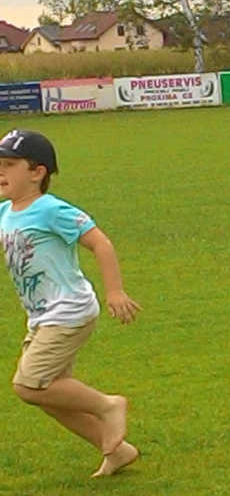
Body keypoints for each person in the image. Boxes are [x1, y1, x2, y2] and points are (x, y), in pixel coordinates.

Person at [0, 129, 141, 477]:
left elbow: (100, 243)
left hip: (68, 310)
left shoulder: (51, 210)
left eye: (10, 165)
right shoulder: (5, 211)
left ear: (38, 172)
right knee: (49, 394)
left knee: (28, 385)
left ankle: (109, 406)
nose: (1, 171)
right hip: (42, 315)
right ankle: (118, 451)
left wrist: (115, 291)